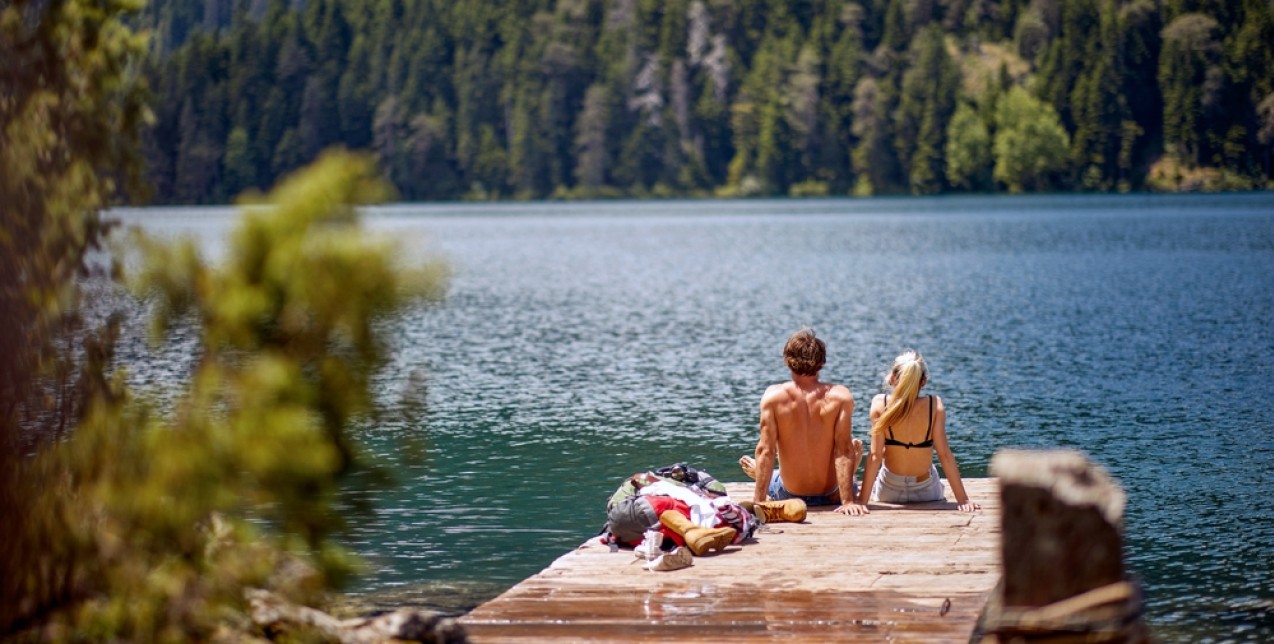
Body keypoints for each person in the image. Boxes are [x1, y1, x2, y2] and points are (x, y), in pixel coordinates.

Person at [739, 329, 866, 516]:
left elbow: (766, 450)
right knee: (850, 462)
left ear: (787, 361)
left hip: (789, 494)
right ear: (822, 363)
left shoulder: (773, 397)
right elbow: (843, 450)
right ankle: (847, 476)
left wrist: (759, 502)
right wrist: (847, 502)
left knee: (773, 474)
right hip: (832, 494)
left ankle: (759, 472)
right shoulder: (841, 396)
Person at [857, 350, 980, 512]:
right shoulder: (934, 405)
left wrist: (862, 502)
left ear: (892, 378)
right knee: (932, 468)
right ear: (923, 381)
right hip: (925, 490)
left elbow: (875, 456)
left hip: (889, 489)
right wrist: (963, 500)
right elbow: (944, 455)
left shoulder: (880, 403)